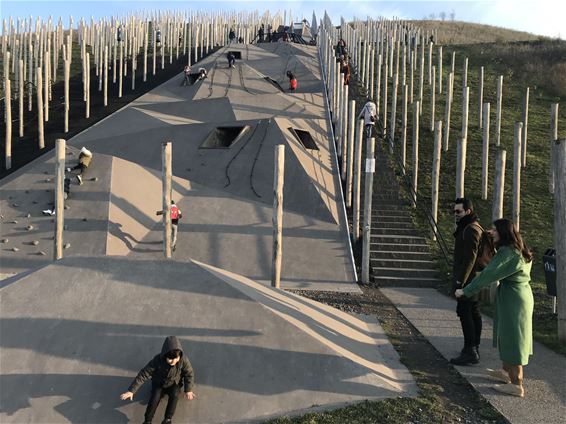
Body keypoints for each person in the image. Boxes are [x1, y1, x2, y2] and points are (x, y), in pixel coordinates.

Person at [456, 219, 534, 398]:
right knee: (507, 335)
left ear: (503, 232)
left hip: (513, 299)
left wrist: (466, 291)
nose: (491, 232)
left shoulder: (507, 252)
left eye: (495, 229)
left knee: (514, 338)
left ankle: (517, 384)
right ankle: (507, 373)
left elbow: (489, 274)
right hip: (518, 295)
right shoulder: (518, 248)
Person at [120, 336, 195, 424]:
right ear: (164, 355)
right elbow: (144, 373)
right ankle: (147, 420)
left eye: (176, 358)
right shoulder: (157, 360)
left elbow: (189, 373)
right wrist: (131, 391)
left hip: (174, 383)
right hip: (159, 383)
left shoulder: (183, 360)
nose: (173, 361)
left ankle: (167, 419)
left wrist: (188, 389)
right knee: (154, 398)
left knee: (175, 394)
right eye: (170, 359)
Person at [450, 198, 485, 366]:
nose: (455, 215)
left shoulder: (470, 229)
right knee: (473, 312)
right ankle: (473, 347)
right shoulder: (472, 227)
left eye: (458, 212)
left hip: (468, 280)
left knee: (466, 313)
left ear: (468, 211)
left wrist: (460, 282)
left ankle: (470, 349)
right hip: (474, 278)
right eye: (454, 211)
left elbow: (470, 258)